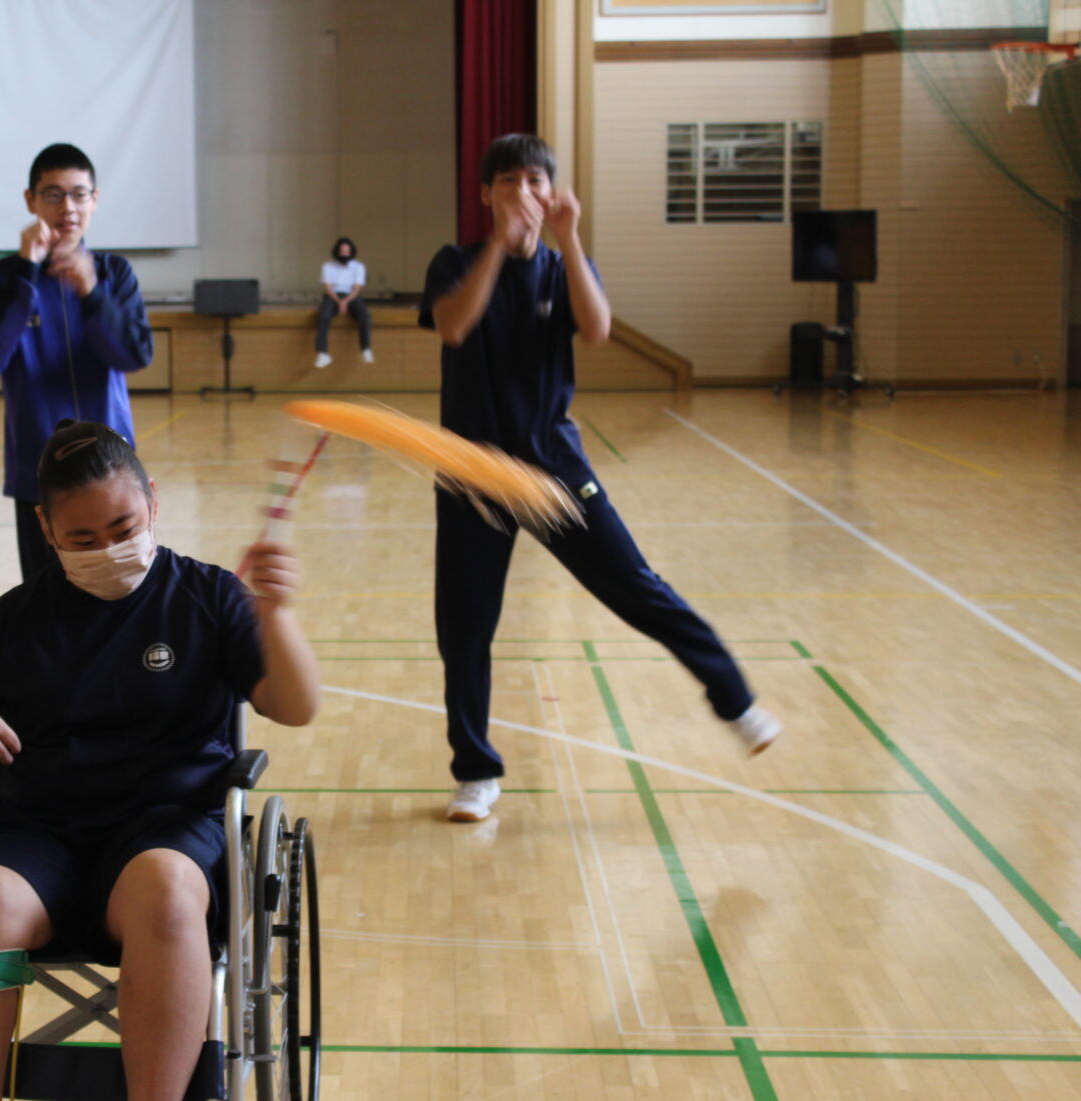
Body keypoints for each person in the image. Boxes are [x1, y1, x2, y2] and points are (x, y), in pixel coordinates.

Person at [0, 421, 318, 1101]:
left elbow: (294, 706)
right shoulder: (22, 616)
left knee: (163, 887)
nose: (108, 547)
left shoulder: (208, 596)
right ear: (46, 528)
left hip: (167, 830)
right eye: (82, 536)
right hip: (41, 835)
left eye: (124, 527)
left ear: (153, 502)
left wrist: (277, 614)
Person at [420, 134, 781, 823]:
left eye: (535, 180)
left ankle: (736, 702)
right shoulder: (457, 262)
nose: (523, 192)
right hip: (473, 478)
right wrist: (500, 244)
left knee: (639, 589)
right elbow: (454, 327)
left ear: (552, 191)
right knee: (463, 632)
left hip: (555, 472)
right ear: (486, 194)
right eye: (508, 181)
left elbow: (598, 328)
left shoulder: (563, 270)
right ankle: (475, 772)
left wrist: (570, 237)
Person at [0, 143, 154, 582]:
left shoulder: (113, 274)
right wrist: (27, 277)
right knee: (47, 602)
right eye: (52, 194)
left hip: (115, 470)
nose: (66, 207)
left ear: (95, 200)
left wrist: (91, 292)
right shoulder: (2, 279)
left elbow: (133, 355)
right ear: (30, 200)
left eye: (78, 194)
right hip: (38, 475)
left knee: (127, 590)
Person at [314, 236, 372, 369]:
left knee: (364, 315)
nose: (344, 254)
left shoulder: (359, 266)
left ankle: (365, 348)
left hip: (352, 295)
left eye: (347, 251)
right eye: (342, 251)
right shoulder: (328, 266)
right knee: (323, 316)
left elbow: (357, 287)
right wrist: (339, 301)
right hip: (333, 296)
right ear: (337, 252)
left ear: (351, 252)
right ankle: (322, 353)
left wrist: (345, 301)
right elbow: (328, 287)